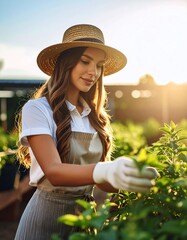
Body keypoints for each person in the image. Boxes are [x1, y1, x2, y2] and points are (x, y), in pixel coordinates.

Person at [14, 24, 158, 240]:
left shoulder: (96, 118)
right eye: (85, 61)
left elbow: (102, 183)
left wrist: (129, 176)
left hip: (86, 222)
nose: (94, 72)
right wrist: (105, 169)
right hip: (44, 222)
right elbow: (53, 170)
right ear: (66, 63)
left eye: (99, 65)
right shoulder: (38, 109)